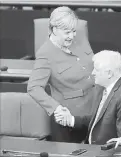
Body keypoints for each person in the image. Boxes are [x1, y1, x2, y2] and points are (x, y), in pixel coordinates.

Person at [27, 6, 94, 143]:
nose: (72, 36)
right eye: (67, 32)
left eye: (74, 31)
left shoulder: (80, 37)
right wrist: (55, 108)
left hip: (95, 108)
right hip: (70, 117)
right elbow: (33, 88)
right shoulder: (45, 54)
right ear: (54, 29)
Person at [54, 50, 121, 144]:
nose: (93, 73)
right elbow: (96, 120)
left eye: (96, 69)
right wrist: (70, 119)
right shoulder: (103, 88)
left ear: (109, 73)